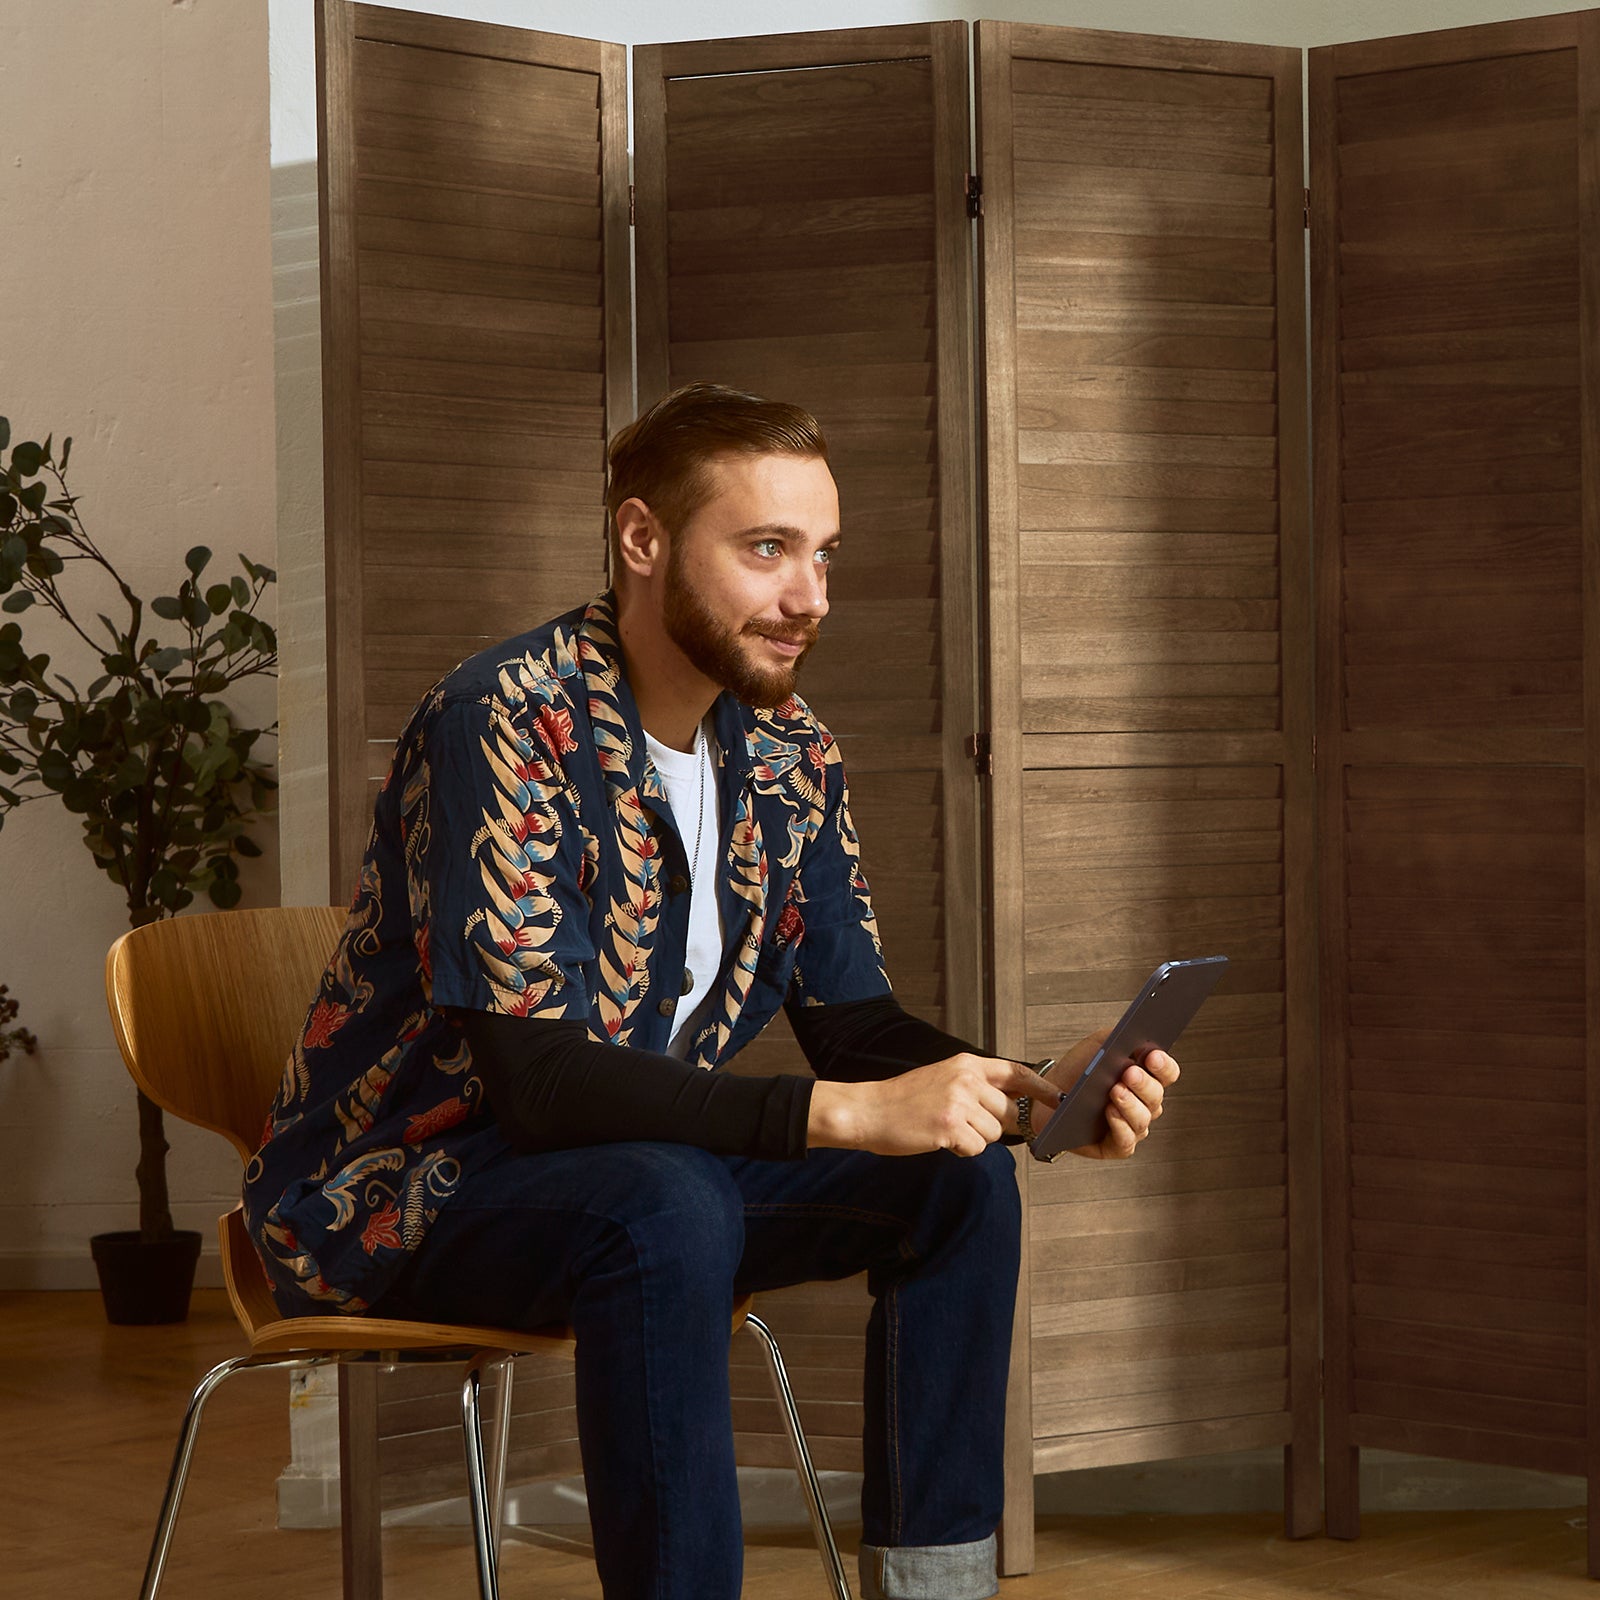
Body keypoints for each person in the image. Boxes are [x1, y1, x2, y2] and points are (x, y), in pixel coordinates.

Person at [243, 383, 1179, 1600]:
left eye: (823, 553)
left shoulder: (790, 755)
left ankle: (935, 1592)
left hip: (634, 1170)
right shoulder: (504, 720)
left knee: (955, 1184)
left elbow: (854, 1025)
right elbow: (536, 1080)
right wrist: (840, 1114)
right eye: (766, 549)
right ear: (642, 540)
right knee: (665, 1202)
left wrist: (1025, 1087)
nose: (811, 598)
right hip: (397, 1195)